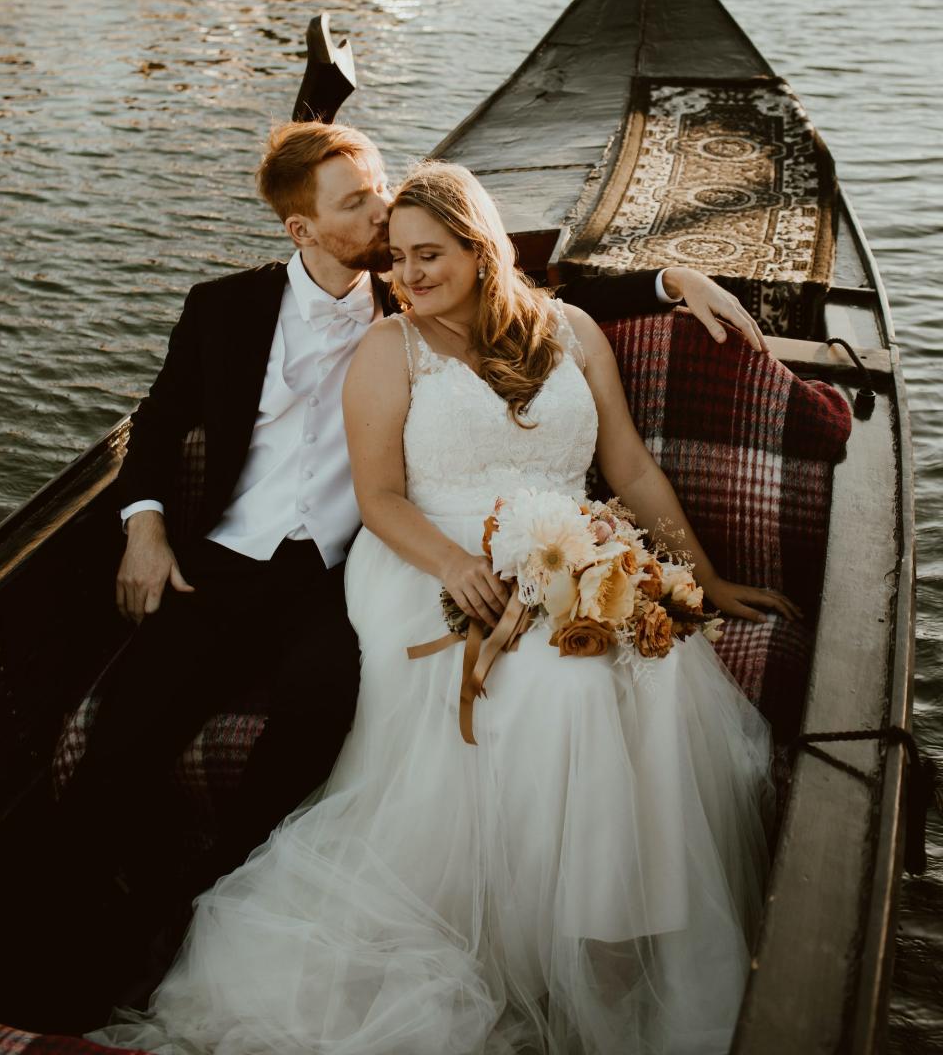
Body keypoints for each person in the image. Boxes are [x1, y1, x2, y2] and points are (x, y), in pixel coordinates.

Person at [90, 160, 795, 1055]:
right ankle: (131, 913)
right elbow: (378, 493)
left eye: (427, 253)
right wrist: (459, 564)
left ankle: (601, 954)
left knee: (638, 678)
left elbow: (631, 469)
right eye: (392, 255)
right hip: (411, 564)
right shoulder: (378, 340)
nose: (406, 272)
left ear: (479, 246)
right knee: (561, 695)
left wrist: (705, 577)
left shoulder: (572, 328)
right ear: (312, 233)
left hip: (564, 553)